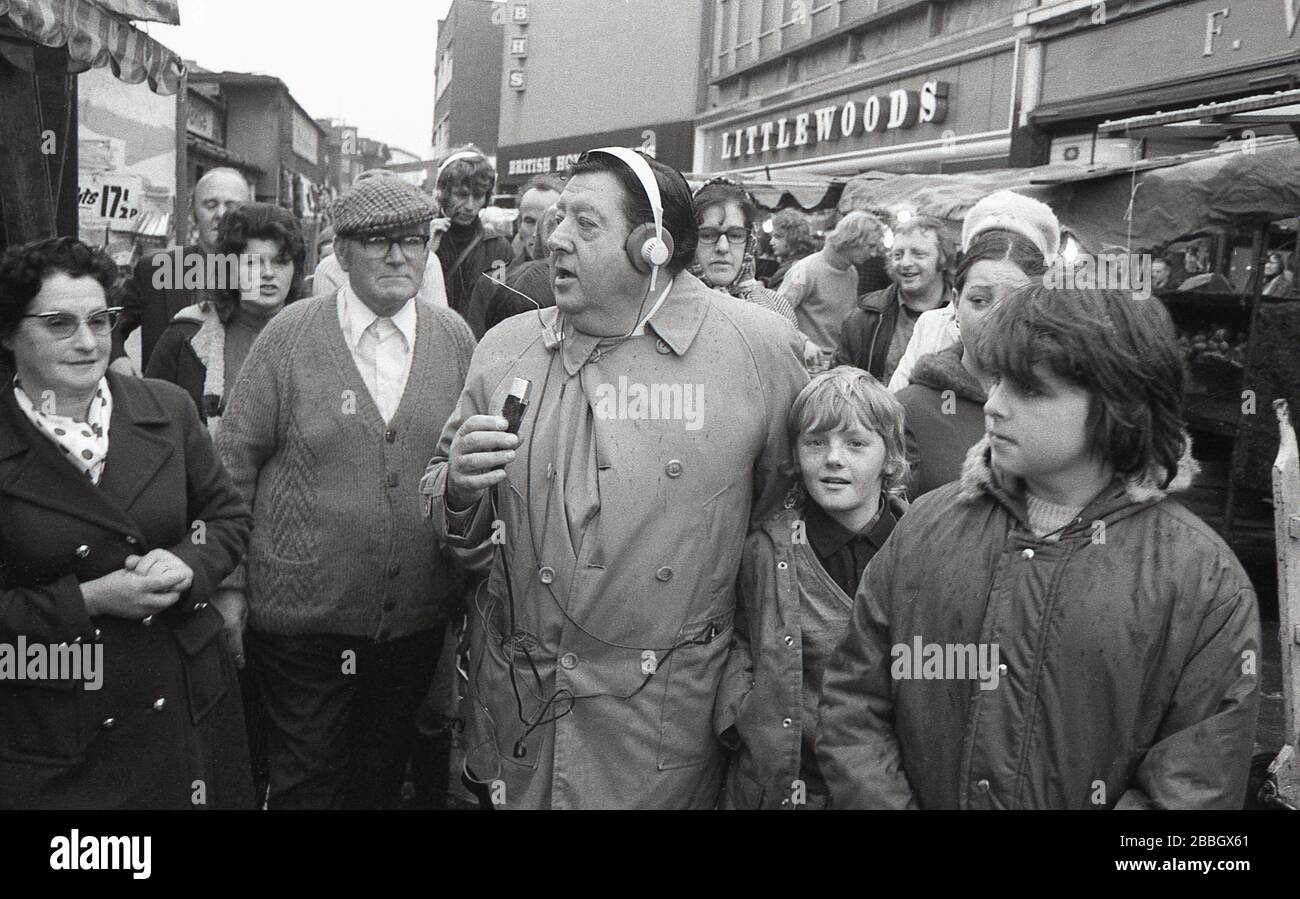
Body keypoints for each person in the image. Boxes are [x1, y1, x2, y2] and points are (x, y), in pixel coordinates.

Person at [421, 148, 808, 809]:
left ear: (653, 246)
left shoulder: (757, 349)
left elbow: (781, 510)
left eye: (586, 223)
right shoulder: (505, 347)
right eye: (559, 216)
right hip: (520, 718)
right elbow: (442, 503)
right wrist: (458, 488)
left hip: (662, 729)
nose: (555, 237)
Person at [817, 284, 1261, 809]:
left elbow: (1196, 785)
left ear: (1116, 403)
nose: (995, 404)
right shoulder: (925, 527)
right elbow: (854, 704)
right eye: (999, 378)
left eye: (1029, 390)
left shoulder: (1202, 582)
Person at [215, 176, 476, 810]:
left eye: (413, 241)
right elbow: (232, 467)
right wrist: (229, 587)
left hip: (411, 624)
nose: (398, 256)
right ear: (342, 252)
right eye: (379, 242)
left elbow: (475, 473)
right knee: (306, 783)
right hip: (304, 625)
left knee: (378, 781)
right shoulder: (290, 338)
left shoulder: (456, 340)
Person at [0, 237, 253, 808]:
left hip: (183, 703)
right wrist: (91, 599)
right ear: (10, 332)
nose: (88, 342)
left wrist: (188, 560)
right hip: (59, 721)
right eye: (59, 323)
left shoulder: (166, 407)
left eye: (100, 319)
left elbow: (225, 516)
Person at [717, 368, 908, 809]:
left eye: (856, 443)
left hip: (886, 789)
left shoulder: (923, 546)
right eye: (815, 442)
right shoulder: (765, 549)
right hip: (782, 785)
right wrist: (743, 714)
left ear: (891, 457)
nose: (833, 459)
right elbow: (737, 635)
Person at [895, 232, 1046, 498]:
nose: (996, 316)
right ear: (955, 303)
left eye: (1016, 301)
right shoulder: (909, 411)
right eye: (979, 300)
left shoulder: (1067, 407)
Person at [146, 203, 305, 439]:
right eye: (252, 262)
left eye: (281, 261)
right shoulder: (185, 336)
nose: (268, 273)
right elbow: (149, 425)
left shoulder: (316, 333)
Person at [887, 192, 1059, 390]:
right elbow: (898, 403)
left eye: (1015, 301)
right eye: (979, 300)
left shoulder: (1057, 354)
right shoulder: (932, 325)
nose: (1001, 250)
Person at [110, 167, 252, 374]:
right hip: (166, 402)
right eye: (210, 205)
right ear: (193, 213)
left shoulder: (265, 273)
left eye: (232, 206)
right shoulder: (155, 270)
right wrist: (117, 359)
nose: (221, 214)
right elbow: (106, 321)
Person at [689, 178, 819, 369]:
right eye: (707, 235)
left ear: (749, 240)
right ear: (689, 238)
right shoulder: (669, 301)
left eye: (735, 235)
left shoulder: (775, 305)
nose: (723, 247)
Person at [836, 214, 953, 385]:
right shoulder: (862, 320)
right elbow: (842, 388)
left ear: (942, 259)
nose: (905, 263)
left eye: (918, 254)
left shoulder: (965, 315)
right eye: (898, 255)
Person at [311, 171, 449, 308]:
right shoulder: (328, 268)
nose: (397, 258)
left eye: (411, 240)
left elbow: (436, 319)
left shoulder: (429, 261)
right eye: (376, 240)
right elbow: (326, 322)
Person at [779, 210, 884, 372]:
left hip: (837, 364)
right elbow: (776, 313)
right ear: (852, 239)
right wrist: (804, 342)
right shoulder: (805, 270)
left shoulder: (851, 273)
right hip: (805, 365)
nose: (873, 254)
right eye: (870, 246)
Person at [465, 174, 564, 337]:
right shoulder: (493, 284)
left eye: (551, 221)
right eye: (530, 221)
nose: (537, 233)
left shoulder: (580, 283)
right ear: (519, 225)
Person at [433, 147, 514, 318]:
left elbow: (501, 305)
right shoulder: (420, 239)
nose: (470, 206)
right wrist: (426, 254)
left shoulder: (498, 246)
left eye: (478, 196)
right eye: (461, 195)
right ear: (442, 194)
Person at [765, 208, 817, 291]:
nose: (771, 242)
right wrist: (764, 282)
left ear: (792, 237)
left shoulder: (799, 268)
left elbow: (782, 300)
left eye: (777, 237)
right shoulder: (799, 263)